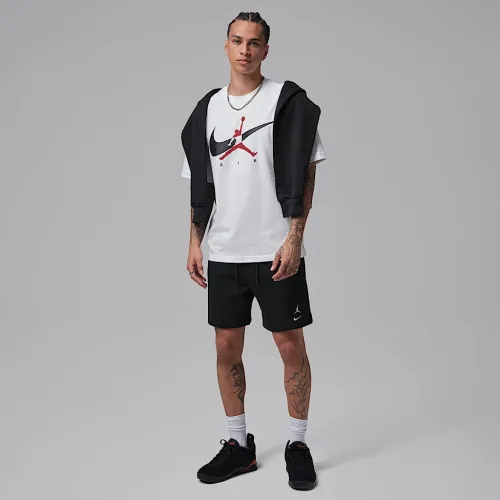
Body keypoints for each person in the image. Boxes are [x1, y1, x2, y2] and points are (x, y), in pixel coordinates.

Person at [180, 11, 326, 491]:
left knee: (290, 346)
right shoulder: (206, 111)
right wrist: (195, 240)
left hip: (274, 248)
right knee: (226, 347)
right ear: (226, 46)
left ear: (266, 50)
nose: (245, 50)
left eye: (255, 42)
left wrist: (294, 237)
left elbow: (308, 173)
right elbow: (200, 183)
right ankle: (239, 445)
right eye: (237, 41)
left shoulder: (287, 102)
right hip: (224, 249)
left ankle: (297, 445)